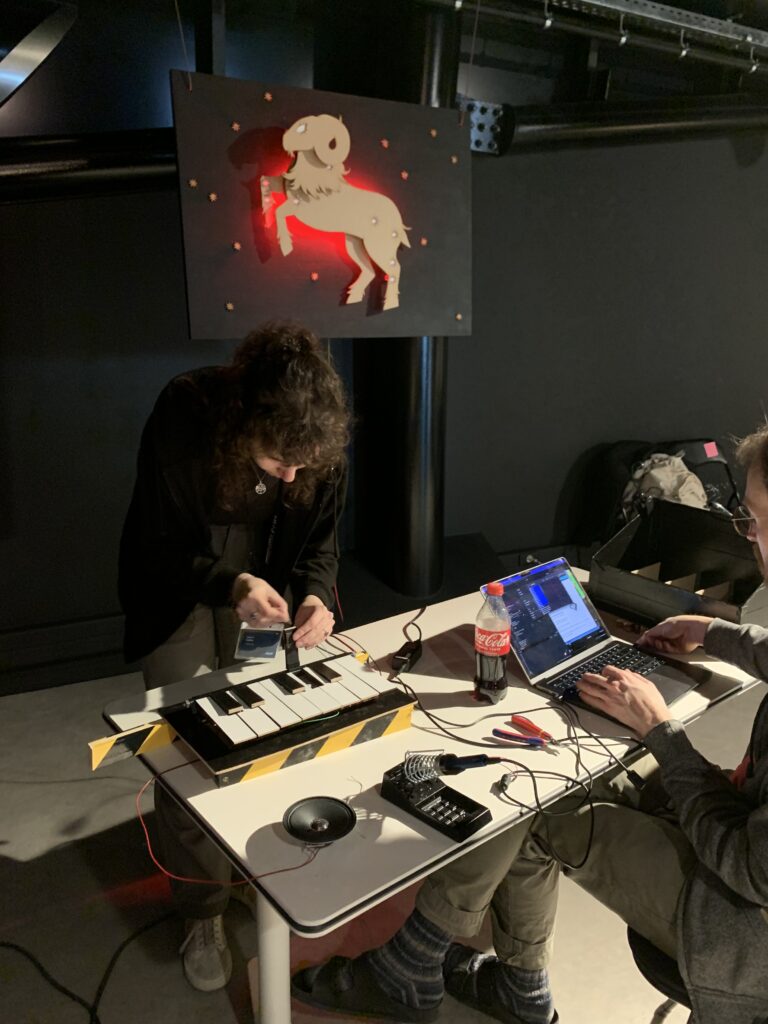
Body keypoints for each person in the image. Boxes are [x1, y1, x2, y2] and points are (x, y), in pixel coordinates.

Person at [292, 424, 768, 1024]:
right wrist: (714, 632)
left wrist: (663, 733)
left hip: (738, 929)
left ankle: (410, 967)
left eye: (754, 520)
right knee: (576, 767)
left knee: (534, 801)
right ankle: (519, 991)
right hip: (744, 825)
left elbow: (750, 870)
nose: (747, 537)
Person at [118, 320, 350, 992]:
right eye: (279, 463)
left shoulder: (314, 442)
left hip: (265, 578)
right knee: (189, 751)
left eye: (305, 465)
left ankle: (251, 869)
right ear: (244, 425)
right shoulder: (185, 413)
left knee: (261, 726)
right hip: (180, 581)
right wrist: (230, 584)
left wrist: (315, 595)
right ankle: (203, 908)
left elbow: (322, 542)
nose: (294, 476)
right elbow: (156, 547)